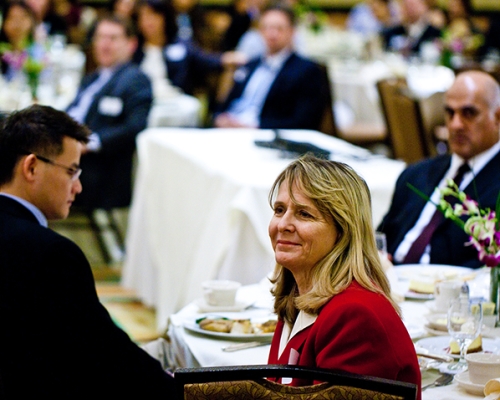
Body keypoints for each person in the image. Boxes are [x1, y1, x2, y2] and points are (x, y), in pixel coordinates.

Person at [0, 104, 175, 397]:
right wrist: (179, 389)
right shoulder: (51, 254)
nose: (77, 187)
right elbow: (104, 355)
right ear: (31, 167)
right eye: (71, 171)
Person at [266, 155, 421, 398]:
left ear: (343, 231)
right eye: (279, 210)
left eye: (304, 214)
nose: (283, 224)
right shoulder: (296, 295)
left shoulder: (355, 315)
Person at [378, 70, 500, 268]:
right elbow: (380, 238)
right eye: (450, 113)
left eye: (468, 113)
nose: (455, 124)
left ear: (497, 117)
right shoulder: (415, 174)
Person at [67, 14, 153, 209]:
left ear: (131, 44)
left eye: (113, 38)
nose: (105, 45)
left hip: (98, 170)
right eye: (100, 37)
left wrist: (89, 143)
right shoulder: (92, 78)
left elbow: (135, 127)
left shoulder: (135, 80)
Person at [213, 3, 325, 130]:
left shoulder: (306, 70)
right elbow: (226, 103)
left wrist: (254, 127)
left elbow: (304, 121)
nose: (272, 34)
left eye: (279, 29)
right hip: (228, 130)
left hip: (264, 134)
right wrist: (219, 118)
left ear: (292, 32)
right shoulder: (251, 64)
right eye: (266, 28)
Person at [132, 0, 245, 96]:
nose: (148, 22)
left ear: (164, 17)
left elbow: (201, 58)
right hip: (140, 98)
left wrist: (225, 58)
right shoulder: (133, 47)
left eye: (153, 15)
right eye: (143, 16)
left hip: (174, 97)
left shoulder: (179, 43)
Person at [0, 1, 39, 80]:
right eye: (12, 18)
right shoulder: (2, 51)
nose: (18, 25)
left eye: (23, 18)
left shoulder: (37, 52)